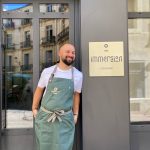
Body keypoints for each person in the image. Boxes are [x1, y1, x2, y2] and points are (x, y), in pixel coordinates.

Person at [32, 43, 83, 150]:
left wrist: (75, 114)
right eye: (67, 52)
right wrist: (34, 109)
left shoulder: (78, 75)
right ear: (59, 53)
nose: (71, 54)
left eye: (73, 52)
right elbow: (39, 90)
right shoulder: (47, 72)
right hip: (46, 118)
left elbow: (76, 95)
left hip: (65, 119)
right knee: (44, 147)